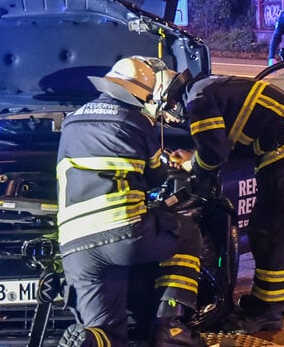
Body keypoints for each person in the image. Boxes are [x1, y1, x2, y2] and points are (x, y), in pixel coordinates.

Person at [56, 56, 204, 347]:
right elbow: (155, 177)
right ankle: (170, 327)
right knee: (187, 233)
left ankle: (88, 340)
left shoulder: (71, 121)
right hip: (124, 234)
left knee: (107, 330)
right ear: (145, 93)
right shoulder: (135, 121)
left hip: (75, 244)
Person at [172, 74, 284, 333]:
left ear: (173, 99)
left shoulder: (197, 101)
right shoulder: (209, 87)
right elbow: (232, 135)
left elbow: (212, 156)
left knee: (269, 229)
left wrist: (190, 162)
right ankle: (281, 296)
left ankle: (266, 311)